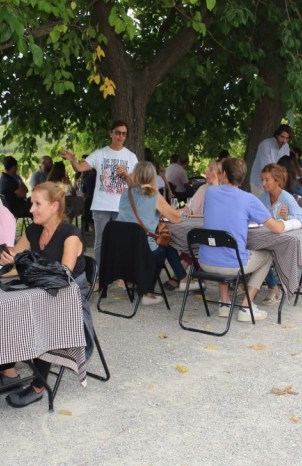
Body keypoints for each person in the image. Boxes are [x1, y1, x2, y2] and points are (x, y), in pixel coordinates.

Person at [0, 183, 95, 408]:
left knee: (43, 318)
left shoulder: (70, 235)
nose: (31, 209)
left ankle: (38, 387)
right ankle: (8, 373)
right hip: (40, 291)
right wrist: (1, 258)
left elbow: (63, 275)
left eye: (37, 204)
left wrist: (22, 263)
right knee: (0, 311)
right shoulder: (34, 230)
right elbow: (15, 257)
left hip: (70, 298)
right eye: (31, 203)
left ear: (54, 206)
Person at [200, 158, 290, 323]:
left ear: (224, 173)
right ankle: (246, 306)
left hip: (205, 262)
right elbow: (277, 228)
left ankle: (224, 303)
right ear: (243, 177)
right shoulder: (249, 199)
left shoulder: (210, 193)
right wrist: (289, 222)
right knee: (267, 256)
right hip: (232, 265)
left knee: (222, 247)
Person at [60, 120, 139, 268]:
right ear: (111, 133)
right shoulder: (100, 153)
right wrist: (73, 160)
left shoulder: (131, 156)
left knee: (121, 241)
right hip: (101, 206)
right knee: (101, 241)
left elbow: (134, 184)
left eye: (124, 134)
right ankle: (100, 273)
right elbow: (79, 168)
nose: (121, 136)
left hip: (122, 206)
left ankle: (119, 272)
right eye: (118, 133)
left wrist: (126, 174)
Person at [117, 162, 189, 304]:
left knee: (163, 244)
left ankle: (183, 279)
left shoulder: (126, 193)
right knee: (165, 246)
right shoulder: (153, 195)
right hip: (142, 250)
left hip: (122, 249)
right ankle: (148, 293)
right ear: (152, 177)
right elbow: (176, 218)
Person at [256, 163, 302, 305]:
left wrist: (287, 218)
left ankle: (274, 288)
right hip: (267, 239)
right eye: (262, 180)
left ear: (277, 181)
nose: (263, 183)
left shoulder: (287, 198)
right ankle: (265, 285)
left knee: (263, 255)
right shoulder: (263, 196)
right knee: (254, 250)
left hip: (283, 243)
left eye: (267, 180)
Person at [249, 124, 293, 193]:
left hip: (274, 184)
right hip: (259, 184)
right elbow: (267, 168)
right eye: (282, 137)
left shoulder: (286, 147)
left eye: (287, 138)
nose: (284, 140)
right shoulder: (265, 145)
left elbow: (286, 166)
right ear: (277, 135)